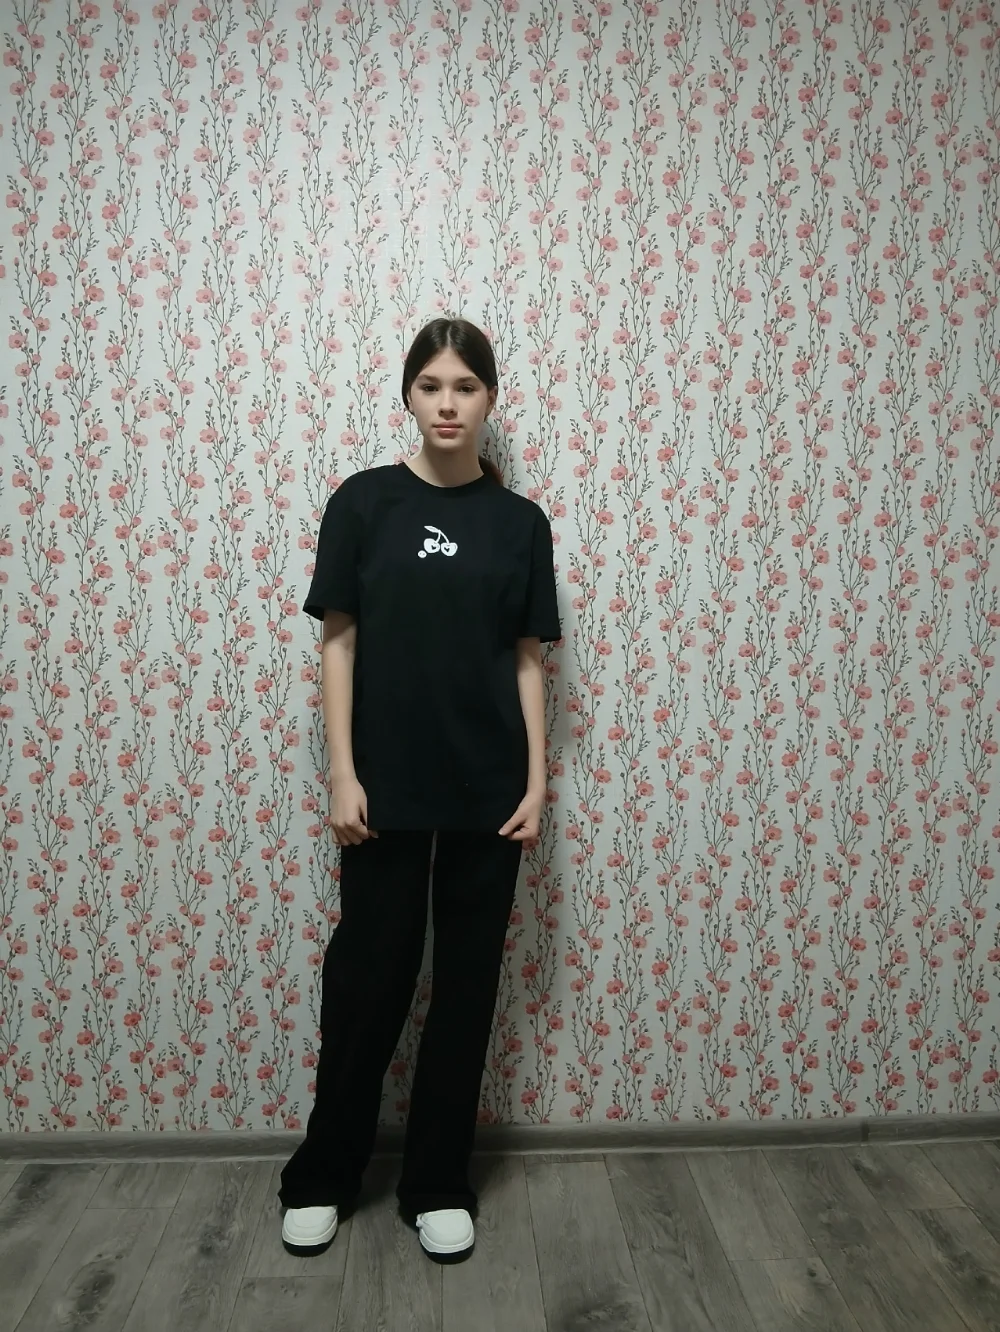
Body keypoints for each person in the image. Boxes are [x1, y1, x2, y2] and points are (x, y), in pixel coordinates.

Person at [278, 317, 561, 1263]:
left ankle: (438, 1182)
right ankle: (324, 1176)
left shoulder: (520, 523)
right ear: (408, 394)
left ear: (490, 398)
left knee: (468, 989)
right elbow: (339, 642)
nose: (448, 404)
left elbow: (527, 658)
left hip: (490, 791)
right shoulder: (363, 503)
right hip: (384, 789)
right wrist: (342, 773)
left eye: (465, 387)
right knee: (369, 983)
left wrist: (537, 781)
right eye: (432, 385)